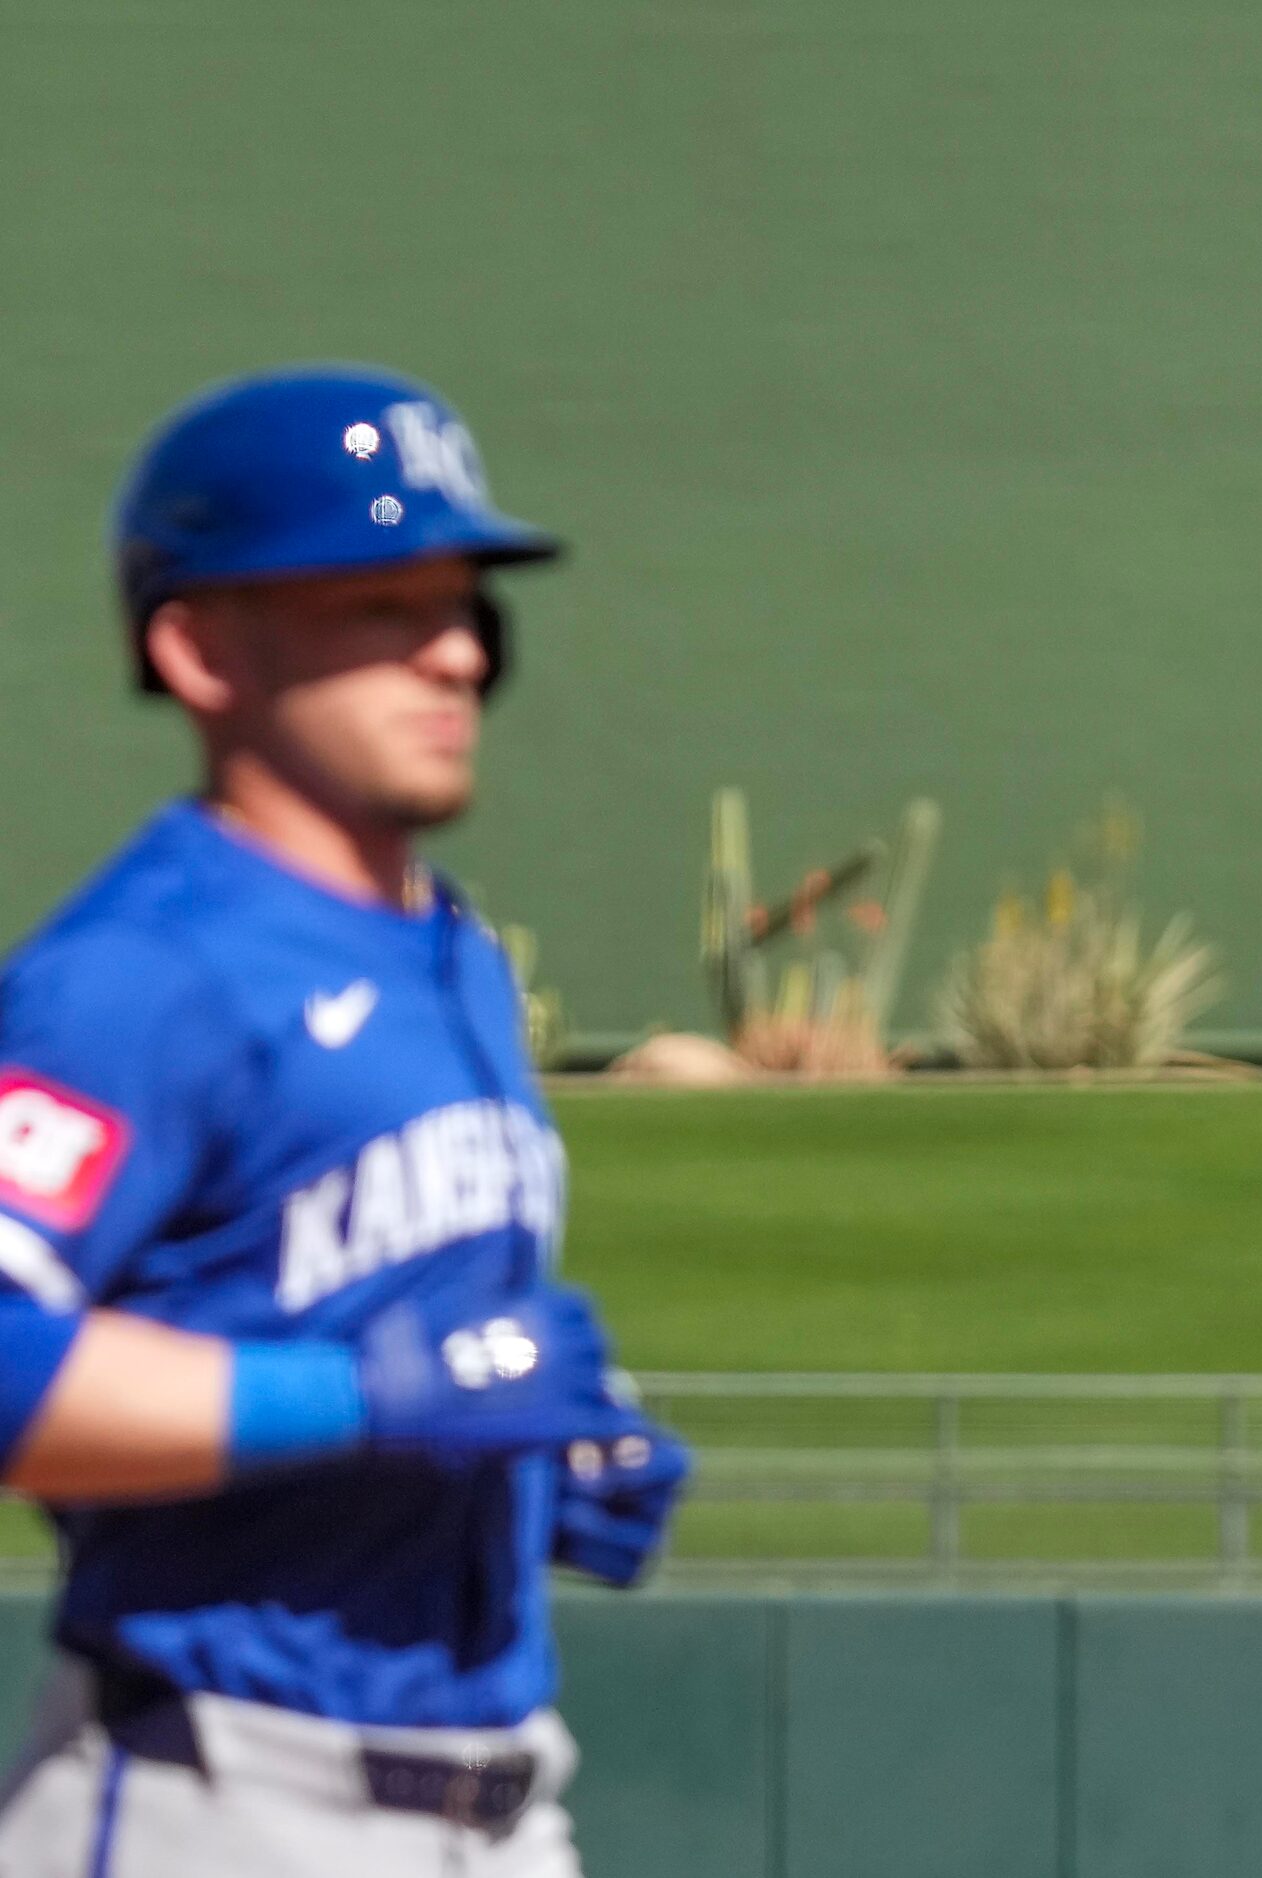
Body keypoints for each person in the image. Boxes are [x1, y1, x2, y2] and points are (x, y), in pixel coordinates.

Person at [0, 365, 688, 1875]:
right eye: (377, 607)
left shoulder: (451, 949)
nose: (452, 651)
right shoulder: (136, 973)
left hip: (502, 1797)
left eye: (462, 605)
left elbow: (394, 1316)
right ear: (196, 648)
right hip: (220, 1794)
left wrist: (548, 1447)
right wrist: (363, 1399)